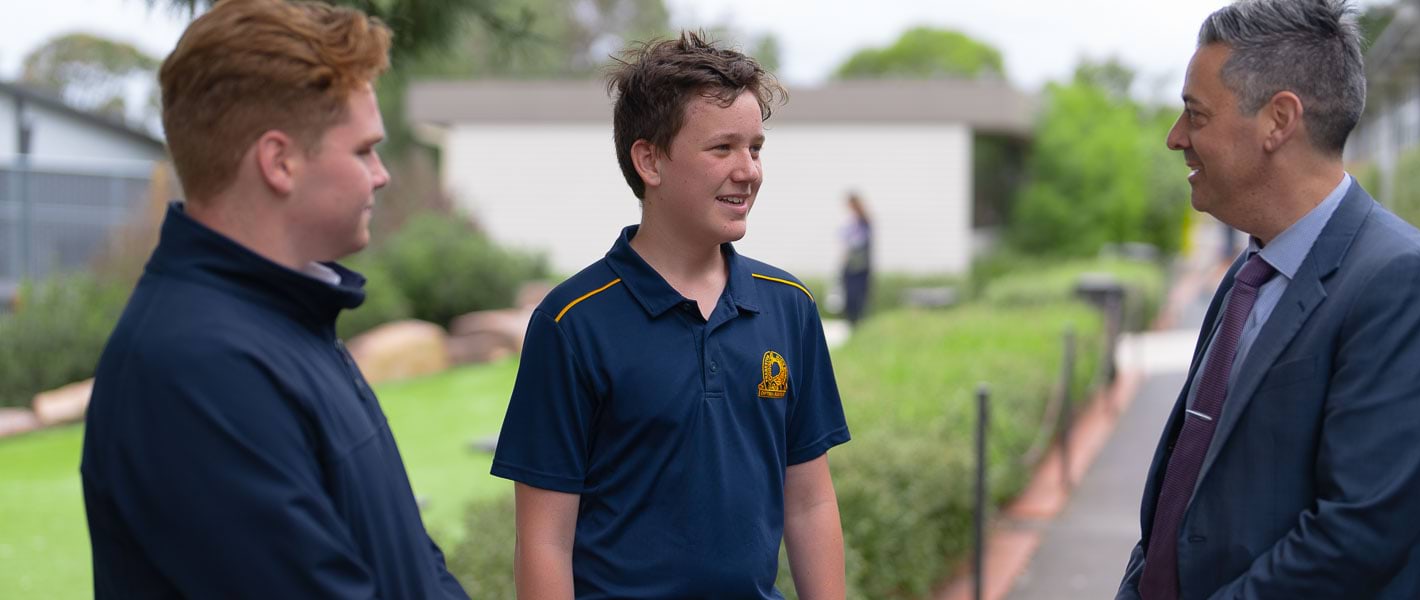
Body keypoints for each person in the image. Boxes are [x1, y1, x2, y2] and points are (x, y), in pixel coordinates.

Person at [79, 1, 467, 597]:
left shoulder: (290, 320)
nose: (382, 174)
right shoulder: (196, 370)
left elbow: (410, 562)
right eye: (364, 149)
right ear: (279, 161)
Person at [1117, 1, 1420, 598]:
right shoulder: (1249, 274)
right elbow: (1186, 498)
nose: (1175, 138)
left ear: (1278, 121)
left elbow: (1359, 535)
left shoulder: (1405, 285)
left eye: (1196, 114)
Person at [490, 32, 850, 599]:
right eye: (722, 148)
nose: (748, 170)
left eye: (755, 147)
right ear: (649, 159)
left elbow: (809, 501)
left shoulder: (788, 306)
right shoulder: (572, 324)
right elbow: (543, 541)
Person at [840, 192, 873, 327]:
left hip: (858, 266)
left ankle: (856, 322)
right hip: (854, 265)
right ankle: (852, 322)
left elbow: (858, 242)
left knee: (856, 296)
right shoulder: (852, 221)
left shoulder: (862, 222)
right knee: (851, 296)